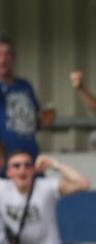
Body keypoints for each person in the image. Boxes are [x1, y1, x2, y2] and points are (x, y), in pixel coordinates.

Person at [0, 151, 90, 244]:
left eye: (28, 165)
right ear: (8, 172)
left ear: (34, 170)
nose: (22, 170)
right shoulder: (3, 189)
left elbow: (83, 184)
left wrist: (54, 164)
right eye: (16, 166)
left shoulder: (46, 187)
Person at [0, 35, 54, 164]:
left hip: (30, 158)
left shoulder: (25, 85)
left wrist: (44, 120)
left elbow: (33, 122)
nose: (3, 59)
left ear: (13, 58)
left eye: (7, 54)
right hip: (6, 163)